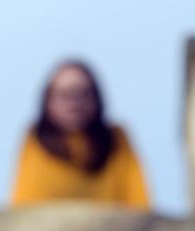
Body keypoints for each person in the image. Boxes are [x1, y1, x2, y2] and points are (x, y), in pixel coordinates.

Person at [9, 60, 150, 209]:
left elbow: (140, 204)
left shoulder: (117, 139)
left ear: (96, 98)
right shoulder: (34, 139)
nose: (74, 103)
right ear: (48, 101)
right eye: (64, 94)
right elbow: (21, 205)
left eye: (82, 93)